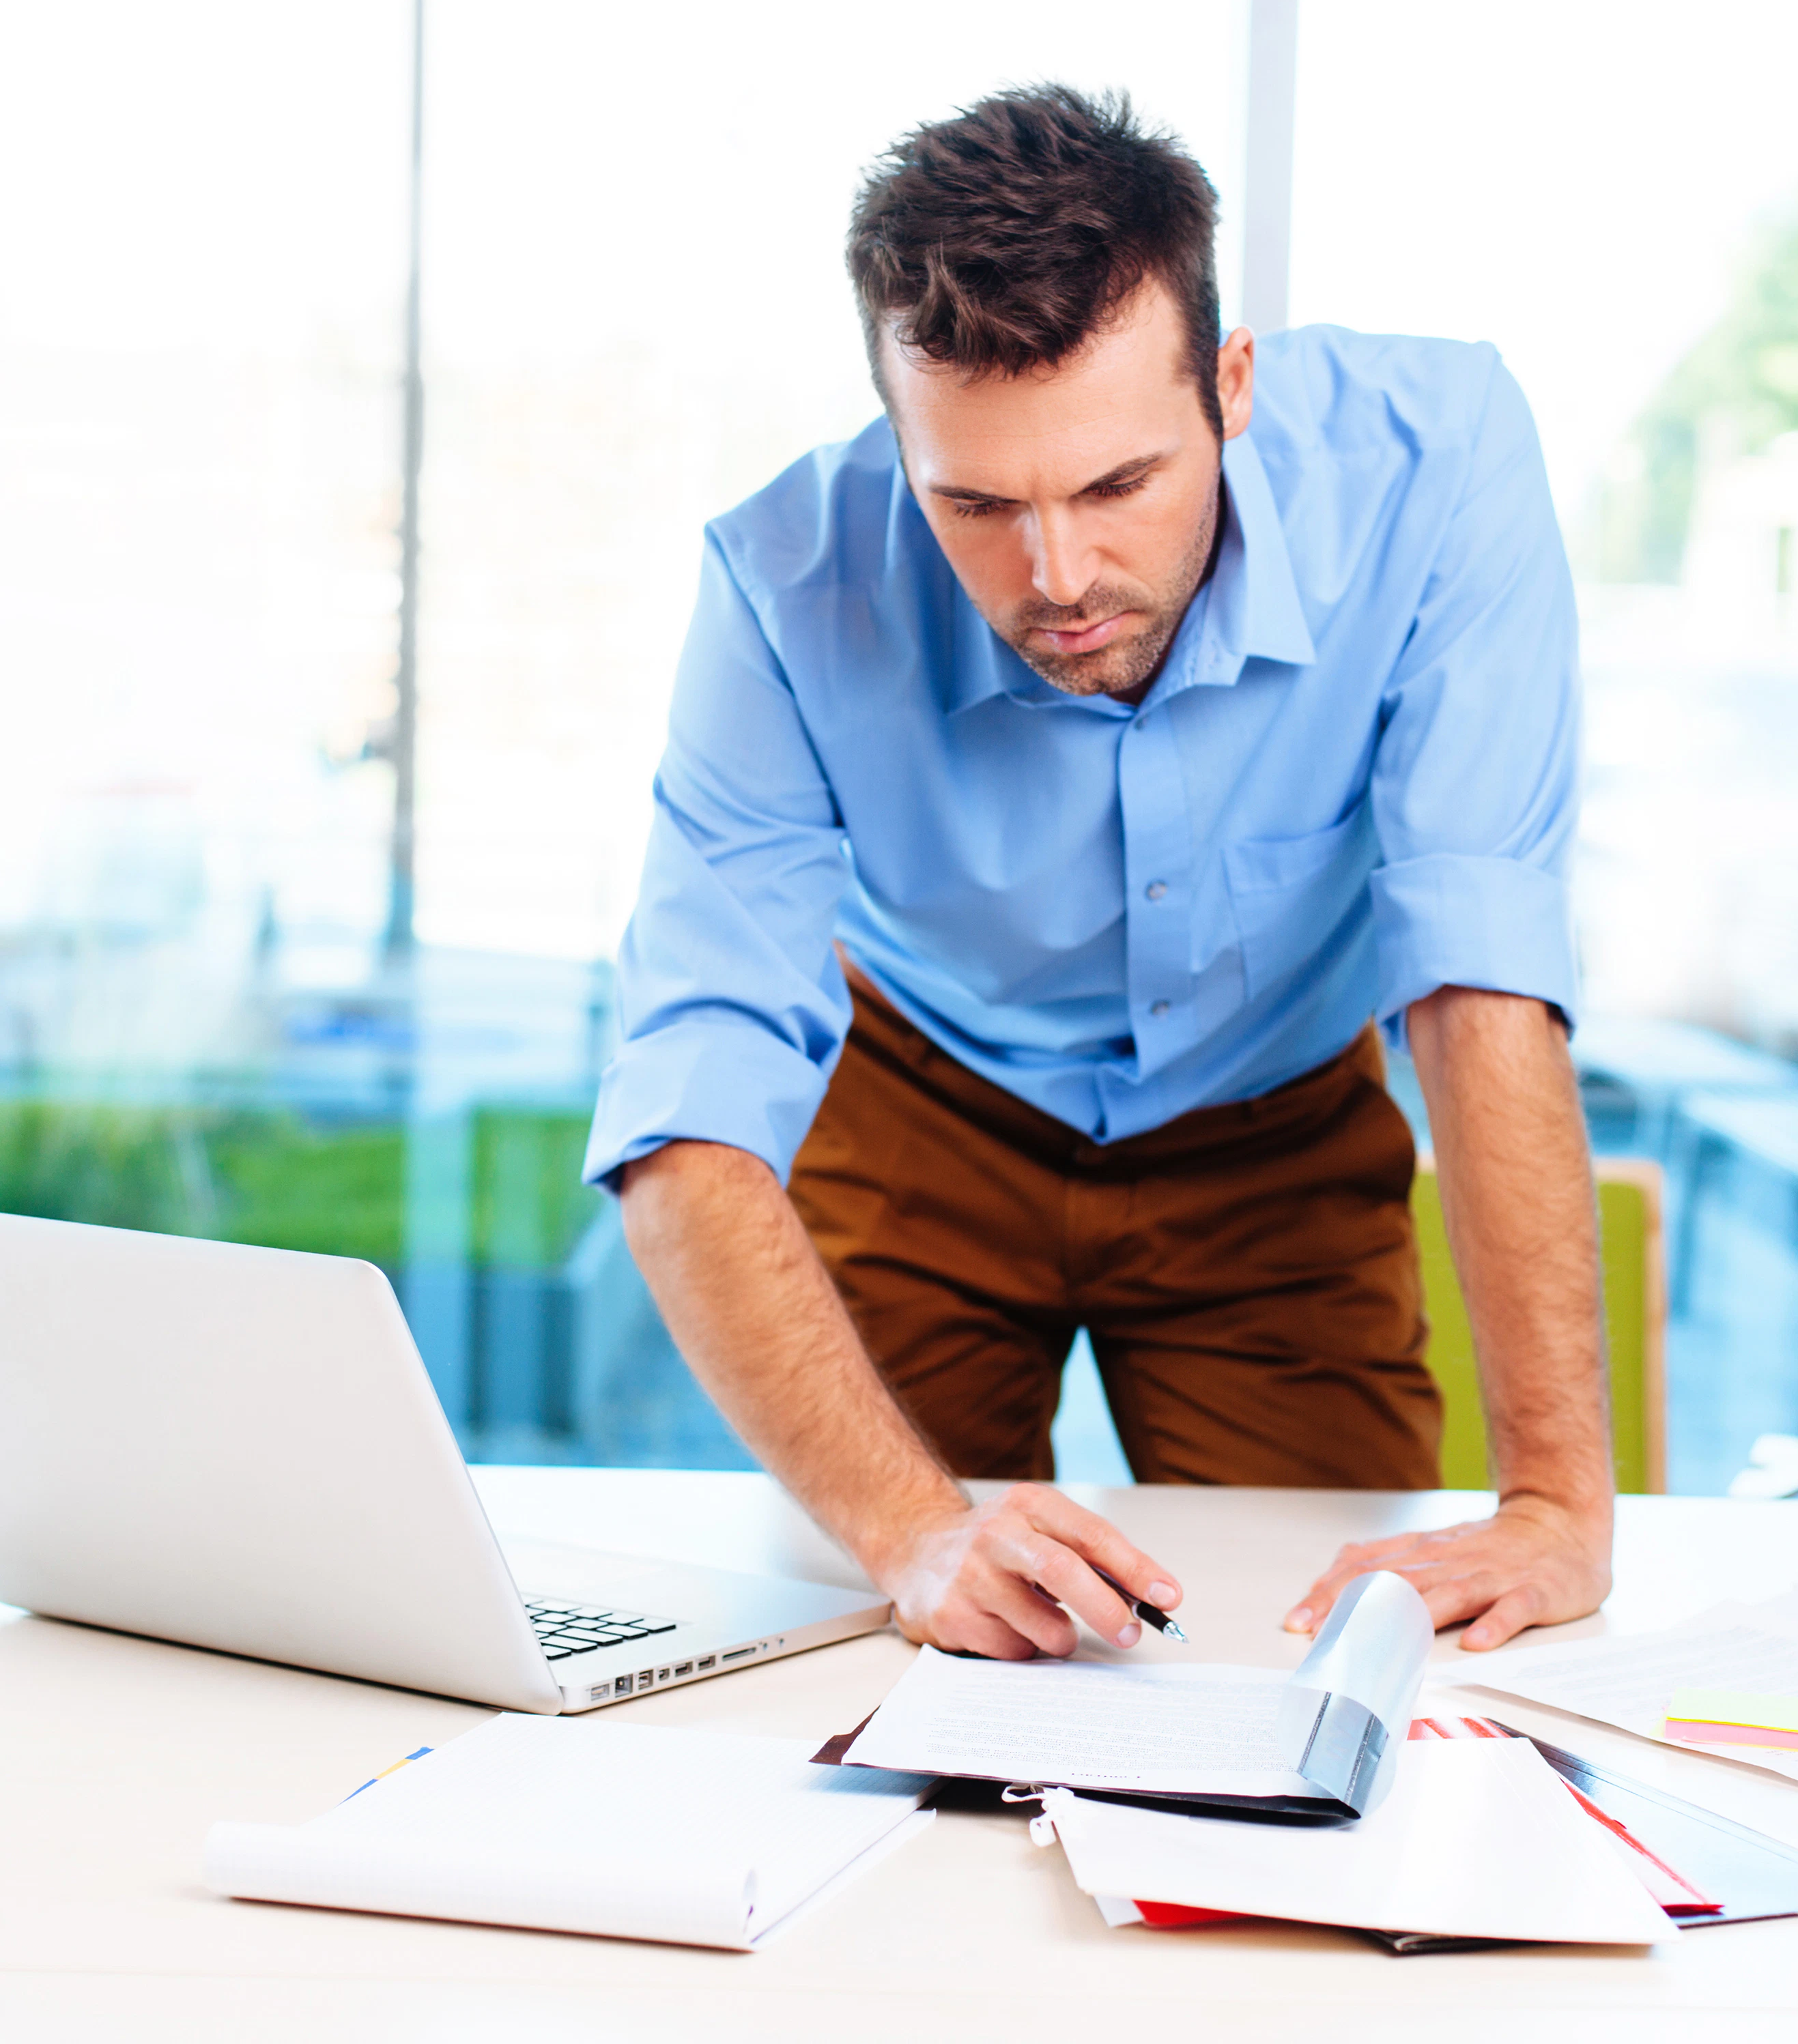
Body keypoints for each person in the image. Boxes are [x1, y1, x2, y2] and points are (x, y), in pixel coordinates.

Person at [584, 85, 1610, 1662]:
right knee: (886, 1650)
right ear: (894, 428)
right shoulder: (784, 581)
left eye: (1118, 486)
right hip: (923, 1100)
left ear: (1231, 386)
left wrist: (1554, 1505)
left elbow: (1476, 964)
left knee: (1339, 1660)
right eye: (977, 505)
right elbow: (685, 1122)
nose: (1056, 579)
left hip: (1271, 1125)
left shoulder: (1435, 461)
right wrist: (915, 1535)